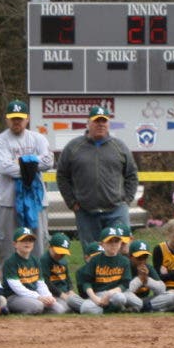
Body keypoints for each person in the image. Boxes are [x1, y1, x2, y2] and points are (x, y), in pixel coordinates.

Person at [56, 105, 139, 246]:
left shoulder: (119, 147)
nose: (101, 124)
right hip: (86, 211)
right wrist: (71, 201)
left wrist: (127, 200)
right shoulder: (73, 147)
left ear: (108, 124)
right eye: (96, 121)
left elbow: (131, 175)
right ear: (88, 123)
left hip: (116, 210)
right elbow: (62, 176)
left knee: (121, 252)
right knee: (92, 254)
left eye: (104, 121)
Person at [0, 100, 55, 262]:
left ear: (27, 119)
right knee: (7, 250)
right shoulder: (0, 141)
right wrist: (32, 165)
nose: (16, 121)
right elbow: (3, 167)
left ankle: (37, 284)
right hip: (9, 202)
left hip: (36, 202)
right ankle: (7, 285)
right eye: (13, 118)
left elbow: (48, 162)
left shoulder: (38, 138)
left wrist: (19, 162)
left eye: (20, 118)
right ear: (7, 119)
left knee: (37, 248)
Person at [77, 227, 131, 315]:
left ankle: (108, 309)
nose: (113, 244)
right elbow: (86, 282)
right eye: (109, 241)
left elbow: (125, 284)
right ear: (102, 244)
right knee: (84, 308)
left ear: (121, 243)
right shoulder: (95, 260)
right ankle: (112, 309)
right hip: (98, 294)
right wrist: (95, 298)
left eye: (116, 241)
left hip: (115, 294)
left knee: (121, 298)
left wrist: (109, 293)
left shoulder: (124, 261)